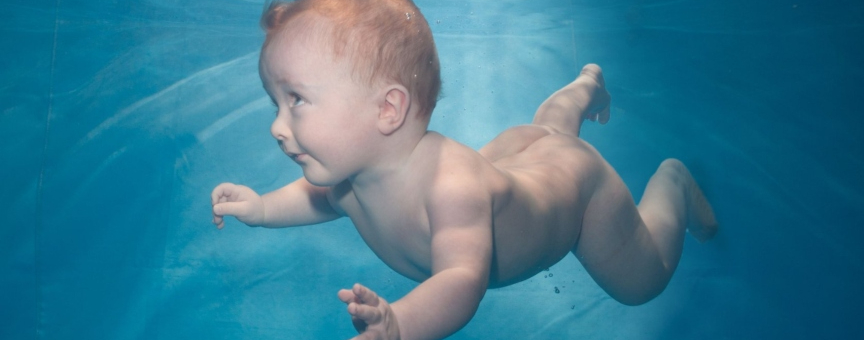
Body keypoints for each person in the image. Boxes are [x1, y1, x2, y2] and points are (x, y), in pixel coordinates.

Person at [210, 0, 718, 339]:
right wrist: (261, 208)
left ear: (387, 110)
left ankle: (672, 183)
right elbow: (316, 198)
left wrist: (400, 323)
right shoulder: (345, 177)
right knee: (548, 135)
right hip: (513, 160)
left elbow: (461, 278)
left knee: (641, 283)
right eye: (274, 101)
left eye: (296, 100)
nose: (277, 127)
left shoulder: (452, 187)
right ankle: (585, 86)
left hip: (576, 198)